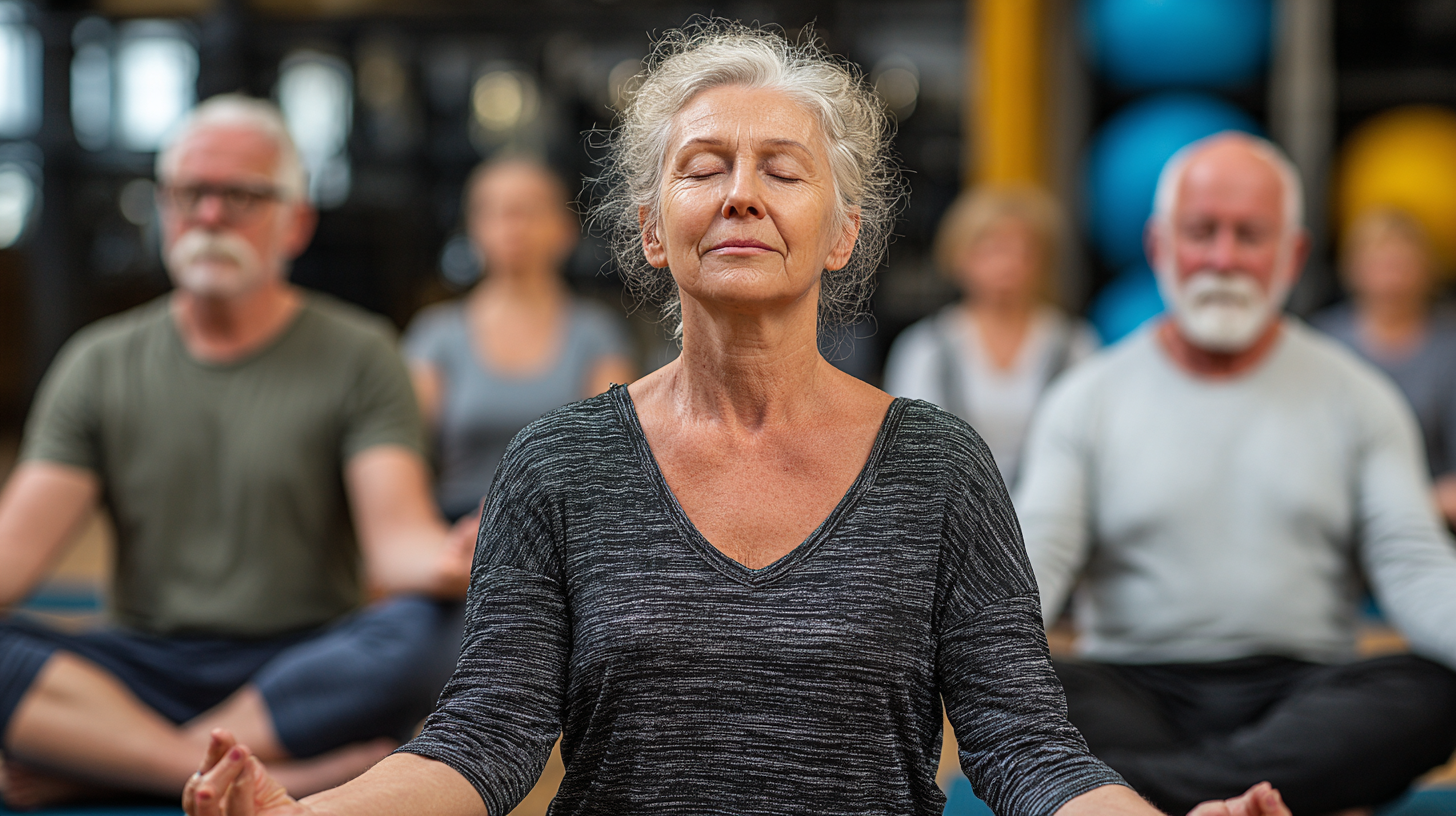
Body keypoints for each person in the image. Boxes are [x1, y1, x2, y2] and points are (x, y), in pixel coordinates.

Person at [181, 24, 1287, 816]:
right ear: (654, 230)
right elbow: (486, 737)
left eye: (782, 170)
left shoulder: (939, 465)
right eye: (703, 168)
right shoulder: (558, 462)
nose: (741, 193)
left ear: (841, 232)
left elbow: (1022, 749)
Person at [0, 95, 475, 808]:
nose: (211, 215)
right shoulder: (97, 363)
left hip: (304, 669)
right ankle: (211, 766)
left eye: (242, 195)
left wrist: (450, 560)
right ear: (162, 207)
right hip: (139, 666)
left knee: (446, 627)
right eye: (191, 193)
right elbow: (14, 555)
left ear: (297, 221)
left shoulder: (362, 353)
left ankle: (101, 759)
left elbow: (395, 545)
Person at [1016, 131, 1456, 815]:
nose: (1223, 258)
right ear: (1160, 246)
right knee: (1019, 689)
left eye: (1249, 235)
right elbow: (1036, 553)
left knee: (1432, 691)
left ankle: (1159, 802)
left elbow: (1414, 562)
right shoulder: (1087, 397)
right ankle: (1251, 802)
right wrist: (963, 657)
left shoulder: (1360, 396)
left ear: (1293, 253)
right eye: (1202, 232)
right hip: (1131, 687)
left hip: (1303, 694)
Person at [404, 159, 635, 522]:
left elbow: (610, 457)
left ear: (565, 229)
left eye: (528, 210)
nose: (512, 225)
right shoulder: (436, 334)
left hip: (567, 527)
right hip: (458, 530)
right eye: (493, 211)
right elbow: (404, 455)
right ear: (473, 228)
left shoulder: (597, 333)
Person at [883, 186, 1098, 487]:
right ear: (959, 256)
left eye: (1022, 250)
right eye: (991, 249)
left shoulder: (1075, 344)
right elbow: (910, 456)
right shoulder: (924, 348)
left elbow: (1089, 448)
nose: (1008, 264)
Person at [1313, 208, 1456, 530]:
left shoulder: (1449, 350)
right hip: (1336, 520)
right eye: (1380, 262)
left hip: (1430, 524)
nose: (1391, 276)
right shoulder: (1323, 343)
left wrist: (1407, 507)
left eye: (1402, 263)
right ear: (1352, 268)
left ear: (1427, 268)